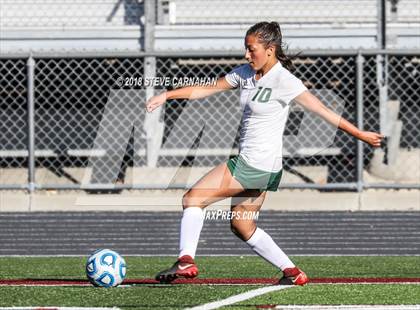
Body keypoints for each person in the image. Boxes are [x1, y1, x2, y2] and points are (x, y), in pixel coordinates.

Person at [145, 21, 383, 285]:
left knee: (193, 199)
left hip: (252, 164)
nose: (247, 55)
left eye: (251, 49)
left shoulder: (285, 80)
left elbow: (324, 111)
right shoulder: (246, 73)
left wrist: (360, 134)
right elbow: (207, 88)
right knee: (242, 226)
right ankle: (292, 272)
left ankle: (185, 260)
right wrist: (167, 95)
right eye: (246, 49)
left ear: (270, 49)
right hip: (265, 169)